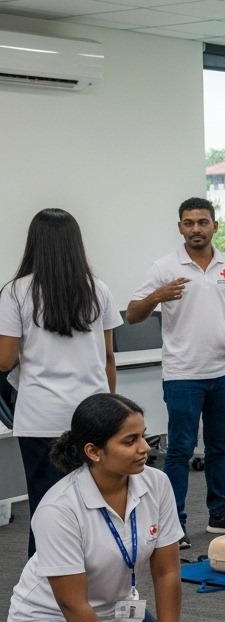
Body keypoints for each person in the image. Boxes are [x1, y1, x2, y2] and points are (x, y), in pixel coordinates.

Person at [7, 393, 194, 622]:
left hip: (118, 612)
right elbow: (72, 604)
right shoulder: (59, 508)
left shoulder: (157, 483)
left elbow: (167, 572)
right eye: (130, 441)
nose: (144, 448)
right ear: (93, 451)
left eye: (143, 436)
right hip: (51, 619)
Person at [127, 197, 225, 546]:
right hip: (183, 373)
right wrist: (158, 294)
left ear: (215, 225)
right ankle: (174, 523)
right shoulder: (165, 267)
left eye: (202, 222)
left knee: (220, 448)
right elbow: (132, 315)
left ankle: (220, 513)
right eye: (188, 223)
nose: (196, 229)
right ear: (180, 227)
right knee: (181, 450)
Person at [0, 208, 122, 558]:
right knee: (94, 503)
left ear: (34, 244)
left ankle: (43, 592)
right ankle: (94, 581)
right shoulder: (98, 289)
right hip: (92, 417)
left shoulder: (16, 293)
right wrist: (109, 410)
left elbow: (5, 360)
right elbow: (108, 357)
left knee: (46, 506)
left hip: (40, 417)